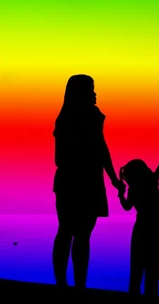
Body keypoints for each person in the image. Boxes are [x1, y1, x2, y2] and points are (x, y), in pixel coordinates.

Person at [52, 74, 123, 289]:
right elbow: (97, 149)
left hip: (85, 180)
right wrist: (110, 177)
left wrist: (112, 178)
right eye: (90, 89)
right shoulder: (69, 119)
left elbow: (101, 148)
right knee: (70, 232)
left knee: (78, 233)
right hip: (76, 180)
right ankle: (65, 283)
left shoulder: (88, 115)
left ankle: (74, 284)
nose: (95, 93)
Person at [117, 139, 159, 304]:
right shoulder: (150, 181)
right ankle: (151, 298)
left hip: (141, 227)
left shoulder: (134, 187)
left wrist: (121, 193)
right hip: (153, 227)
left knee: (137, 263)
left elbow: (127, 207)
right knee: (153, 264)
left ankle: (134, 298)